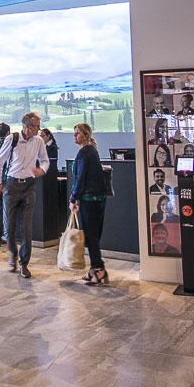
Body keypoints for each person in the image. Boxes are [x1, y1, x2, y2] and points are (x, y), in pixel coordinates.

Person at [0, 111, 49, 278]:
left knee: (26, 227)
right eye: (36, 126)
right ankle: (13, 255)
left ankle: (24, 263)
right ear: (27, 126)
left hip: (29, 186)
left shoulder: (38, 141)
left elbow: (45, 161)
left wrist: (42, 170)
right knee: (9, 225)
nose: (39, 130)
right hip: (11, 185)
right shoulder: (12, 139)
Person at [68, 122, 108, 285]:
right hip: (95, 198)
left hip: (89, 199)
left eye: (77, 133)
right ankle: (96, 268)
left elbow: (81, 178)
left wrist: (73, 198)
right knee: (93, 236)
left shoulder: (85, 153)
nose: (74, 136)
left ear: (85, 135)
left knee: (91, 236)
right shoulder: (91, 151)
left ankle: (97, 269)